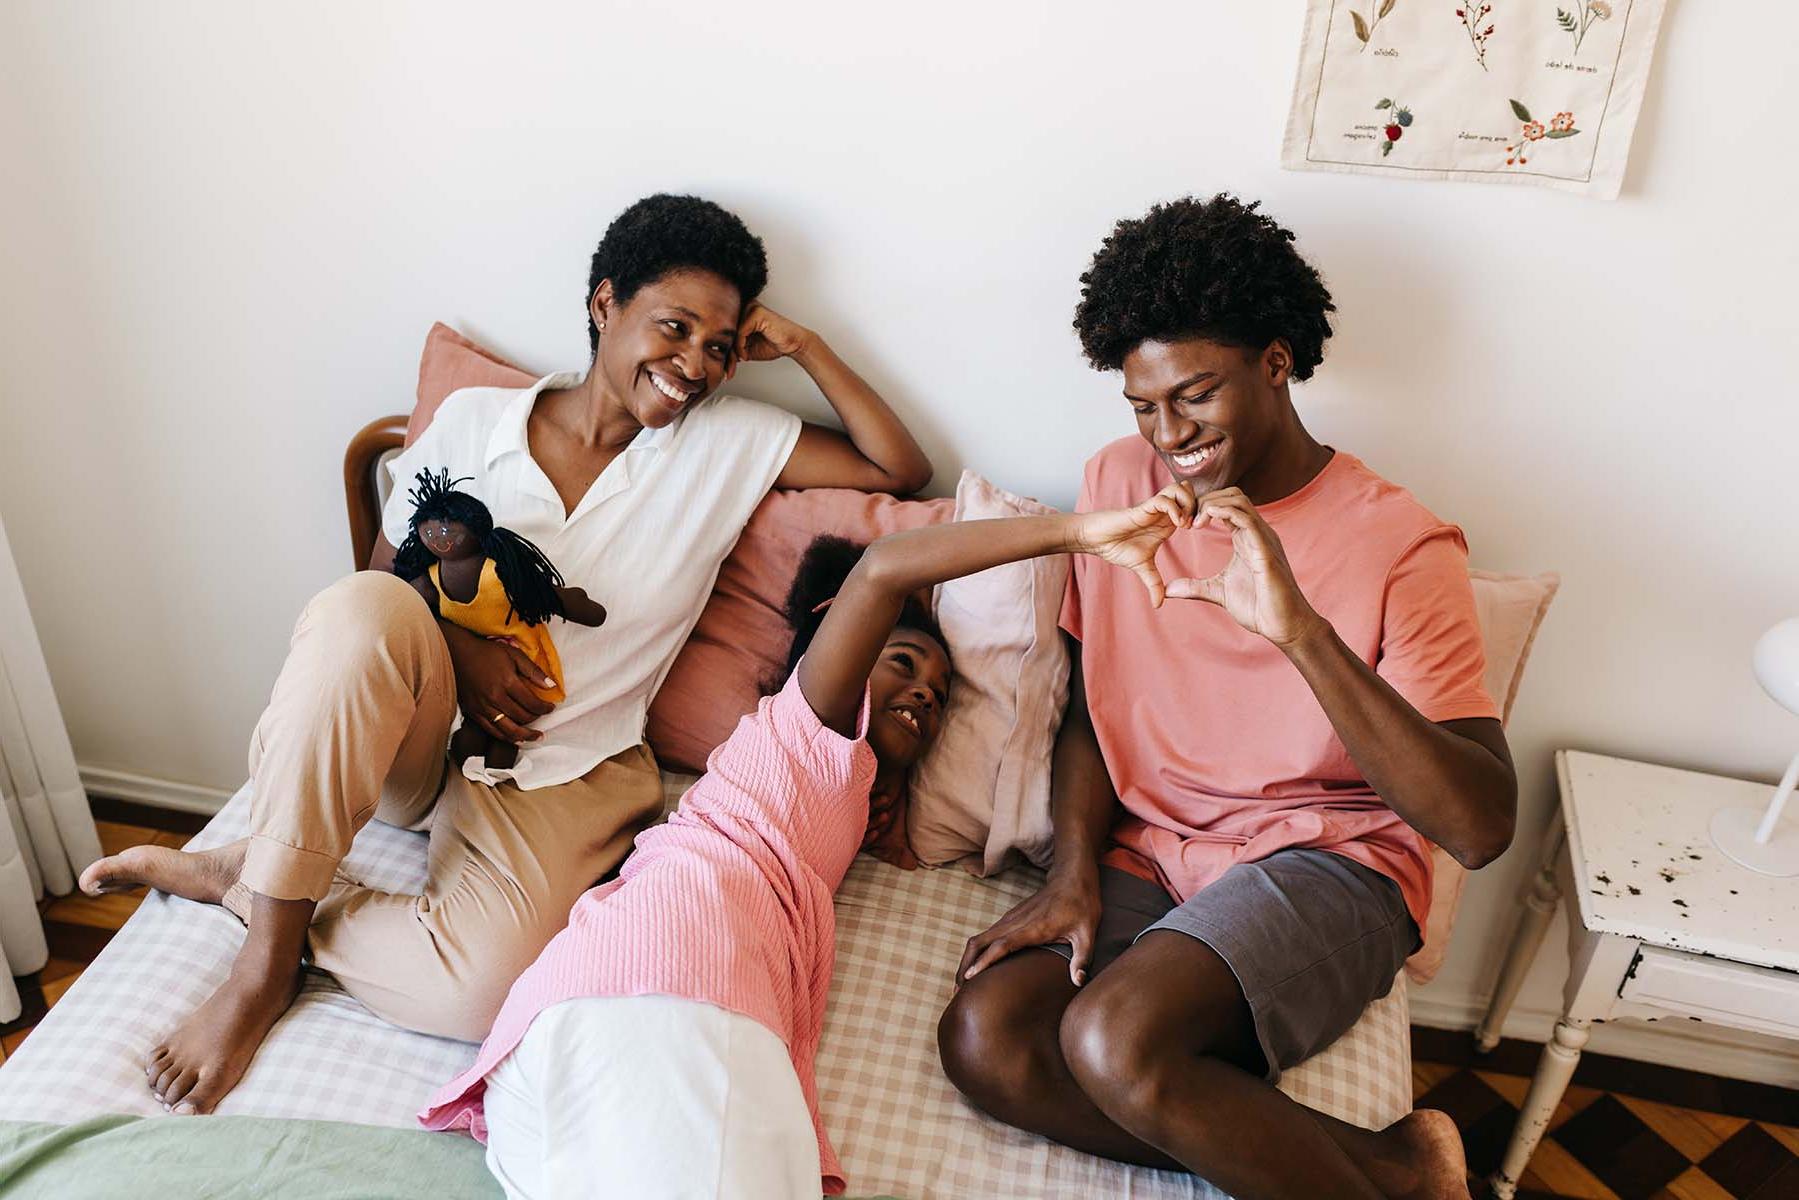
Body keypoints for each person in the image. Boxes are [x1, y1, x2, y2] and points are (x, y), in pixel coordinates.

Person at [77, 193, 932, 1116]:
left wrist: (803, 347)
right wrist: (463, 655)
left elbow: (899, 470)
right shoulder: (475, 423)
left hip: (564, 769)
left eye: (720, 347)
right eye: (673, 328)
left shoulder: (731, 443)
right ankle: (261, 970)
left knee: (478, 994)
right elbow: (379, 583)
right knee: (357, 612)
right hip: (417, 730)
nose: (693, 365)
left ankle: (253, 880)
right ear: (605, 303)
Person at [936, 195, 1517, 1200]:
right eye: (1142, 406)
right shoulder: (1119, 482)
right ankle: (1389, 1166)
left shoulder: (1399, 542)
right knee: (986, 1039)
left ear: (1276, 362)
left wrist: (1298, 631)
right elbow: (1089, 703)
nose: (1168, 436)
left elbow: (1477, 825)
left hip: (1326, 865)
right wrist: (1072, 873)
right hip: (1153, 851)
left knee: (1109, 1041)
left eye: (1194, 396)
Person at [418, 485, 1203, 1200]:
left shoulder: (842, 788)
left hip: (597, 1016)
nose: (925, 695)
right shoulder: (801, 727)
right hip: (669, 979)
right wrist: (1077, 533)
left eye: (937, 699)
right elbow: (885, 571)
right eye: (902, 663)